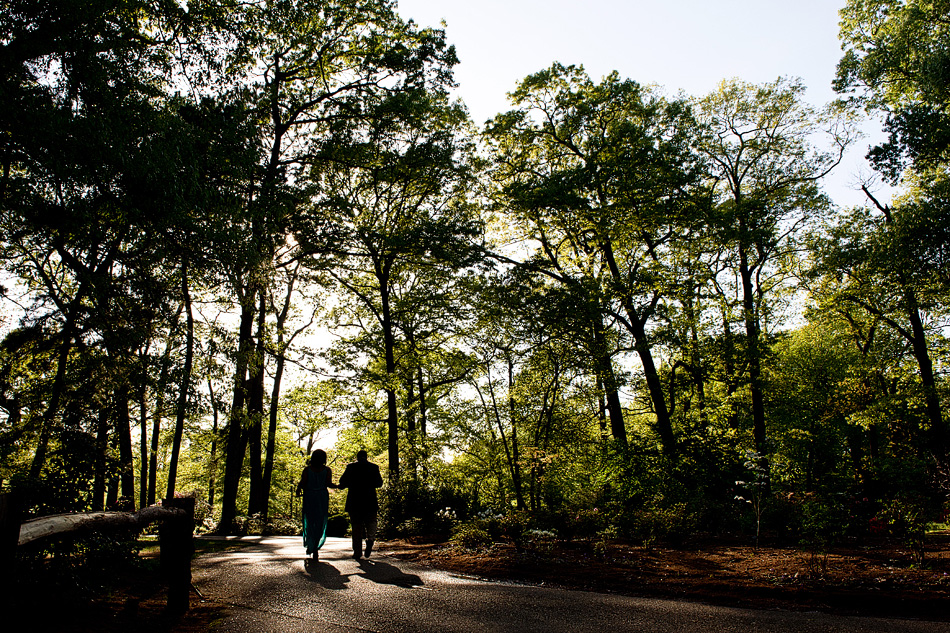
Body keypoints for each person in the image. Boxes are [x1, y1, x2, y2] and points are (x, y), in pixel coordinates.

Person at [337, 449, 383, 559]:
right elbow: (379, 483)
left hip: (354, 501)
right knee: (371, 522)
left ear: (357, 457)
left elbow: (342, 482)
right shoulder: (374, 467)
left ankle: (357, 552)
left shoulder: (351, 467)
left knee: (356, 527)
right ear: (366, 457)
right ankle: (370, 539)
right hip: (370, 501)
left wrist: (347, 484)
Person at [296, 449, 336, 561]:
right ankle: (315, 547)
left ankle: (310, 545)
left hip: (309, 497)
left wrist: (299, 489)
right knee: (320, 522)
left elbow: (303, 483)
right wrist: (338, 486)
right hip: (321, 498)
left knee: (309, 521)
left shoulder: (307, 470)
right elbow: (328, 484)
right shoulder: (327, 470)